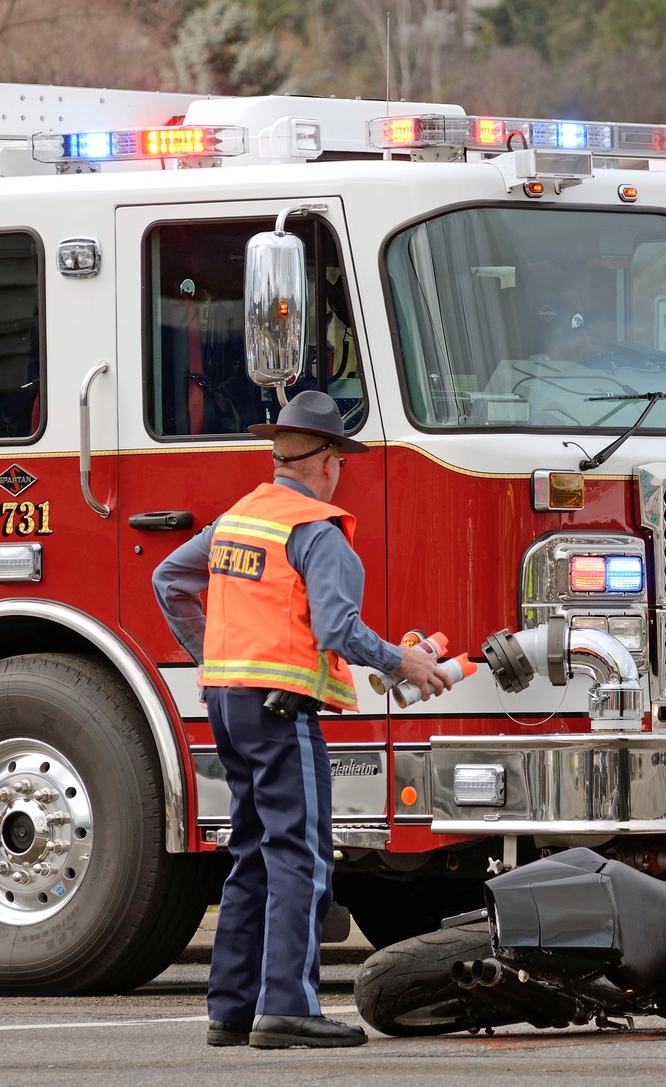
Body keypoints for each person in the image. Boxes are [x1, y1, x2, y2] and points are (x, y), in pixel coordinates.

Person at [153, 390, 448, 1050]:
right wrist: (403, 661)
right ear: (331, 462)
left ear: (280, 456)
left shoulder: (239, 519)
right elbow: (339, 628)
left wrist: (218, 655)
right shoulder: (319, 532)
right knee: (303, 855)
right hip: (282, 711)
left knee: (251, 852)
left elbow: (169, 580)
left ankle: (230, 1008)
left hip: (229, 703)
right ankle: (287, 1004)